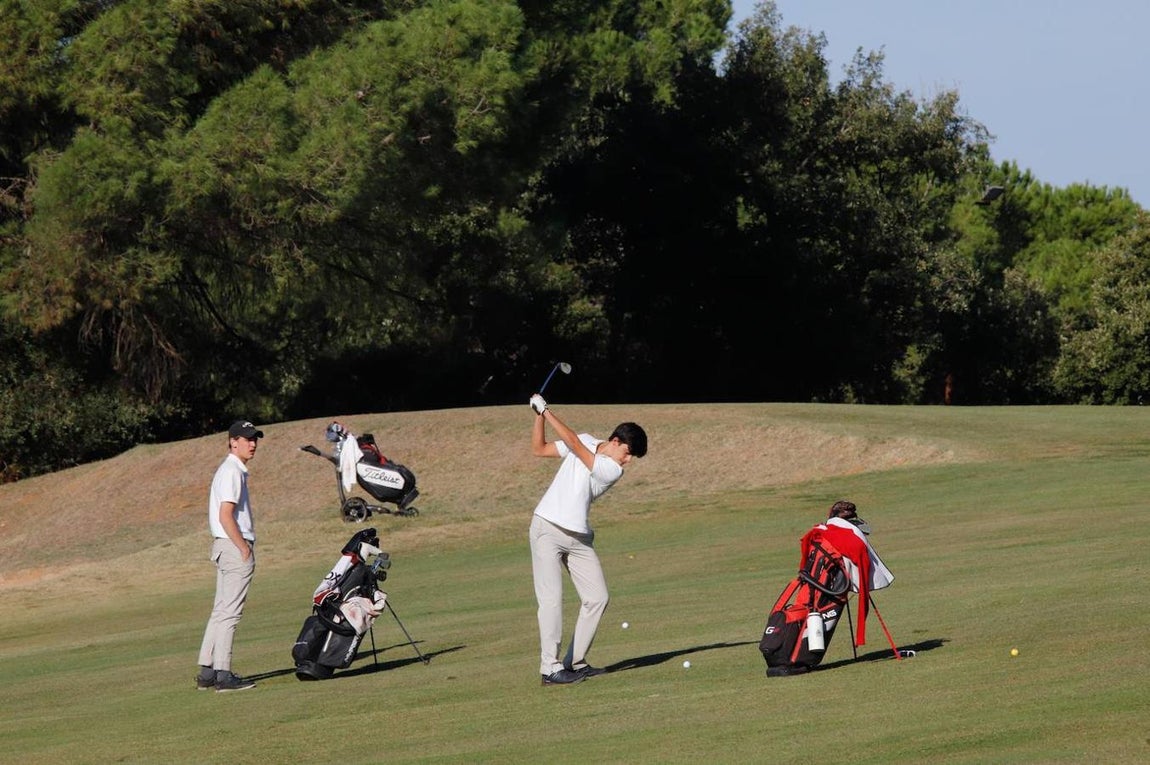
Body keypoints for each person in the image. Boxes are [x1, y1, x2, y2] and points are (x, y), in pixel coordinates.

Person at [527, 392, 648, 686]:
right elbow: (539, 449)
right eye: (628, 452)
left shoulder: (611, 469)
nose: (628, 461)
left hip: (578, 537)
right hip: (546, 528)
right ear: (616, 441)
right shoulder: (586, 441)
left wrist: (548, 410)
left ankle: (575, 661)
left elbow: (576, 446)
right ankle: (550, 669)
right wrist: (538, 416)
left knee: (597, 597)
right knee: (552, 600)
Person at [195, 420, 263, 692]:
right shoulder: (232, 471)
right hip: (234, 546)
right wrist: (243, 548)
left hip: (223, 546)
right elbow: (226, 515)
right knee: (230, 614)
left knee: (221, 611)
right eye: (247, 439)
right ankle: (223, 674)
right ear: (233, 441)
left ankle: (207, 672)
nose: (253, 443)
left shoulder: (231, 470)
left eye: (255, 438)